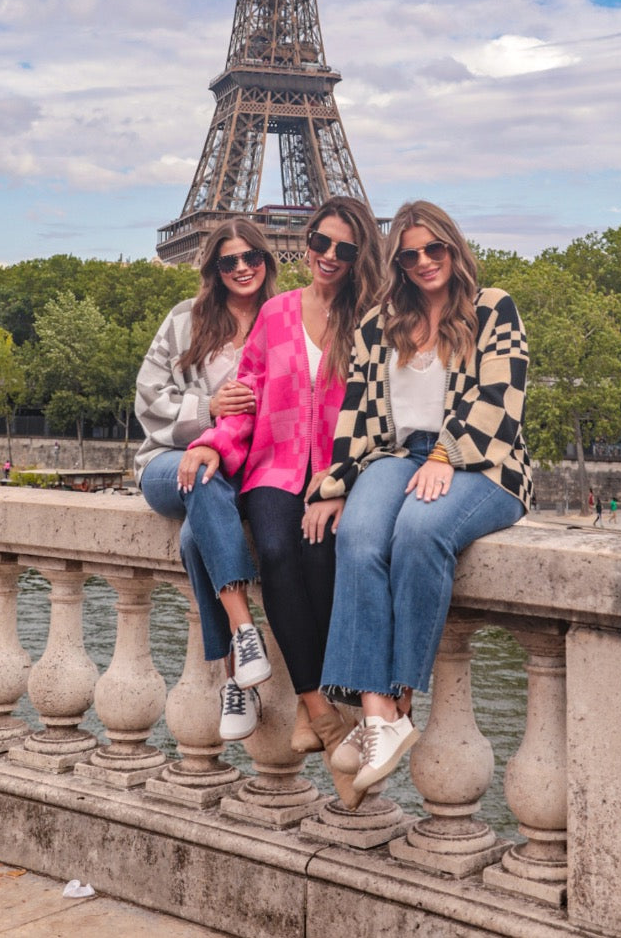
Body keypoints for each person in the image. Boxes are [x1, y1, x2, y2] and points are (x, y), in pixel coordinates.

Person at [308, 201, 530, 797]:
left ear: (455, 248)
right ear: (397, 263)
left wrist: (445, 456)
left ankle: (402, 700)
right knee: (355, 535)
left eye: (435, 249)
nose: (425, 261)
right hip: (396, 456)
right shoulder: (378, 323)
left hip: (483, 462)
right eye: (410, 254)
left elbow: (502, 399)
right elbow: (356, 414)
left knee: (419, 532)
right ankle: (377, 712)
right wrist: (335, 485)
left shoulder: (492, 308)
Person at [182, 196, 382, 807]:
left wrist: (343, 484)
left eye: (344, 249)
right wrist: (215, 444)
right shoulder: (275, 312)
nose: (327, 256)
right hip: (272, 465)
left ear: (360, 256)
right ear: (305, 241)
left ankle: (319, 711)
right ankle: (320, 709)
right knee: (272, 545)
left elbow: (382, 415)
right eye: (319, 242)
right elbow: (247, 395)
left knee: (318, 550)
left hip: (333, 473)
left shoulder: (373, 320)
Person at [135, 220, 277, 741]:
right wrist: (208, 412)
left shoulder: (283, 322)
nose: (242, 268)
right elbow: (147, 398)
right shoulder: (184, 321)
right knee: (201, 476)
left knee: (200, 532)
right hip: (170, 463)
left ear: (268, 260)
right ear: (214, 269)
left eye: (251, 257)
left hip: (240, 469)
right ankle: (244, 629)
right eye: (228, 261)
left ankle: (235, 679)